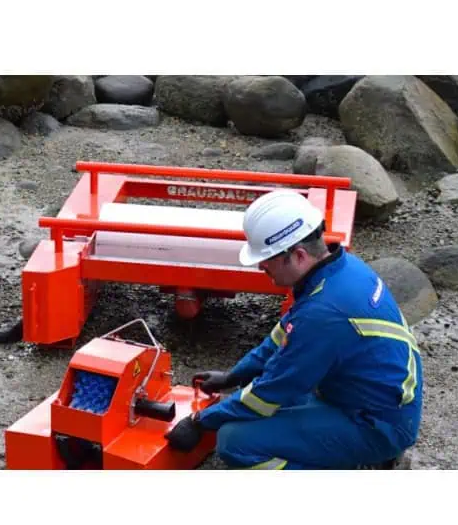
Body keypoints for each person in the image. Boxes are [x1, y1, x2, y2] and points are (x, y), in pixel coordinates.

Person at [165, 189, 423, 469]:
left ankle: (358, 464)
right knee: (263, 403)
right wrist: (234, 376)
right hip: (370, 399)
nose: (262, 265)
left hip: (375, 424)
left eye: (268, 258)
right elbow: (282, 336)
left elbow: (270, 392)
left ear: (298, 255)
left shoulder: (325, 313)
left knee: (234, 441)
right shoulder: (338, 269)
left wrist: (200, 422)